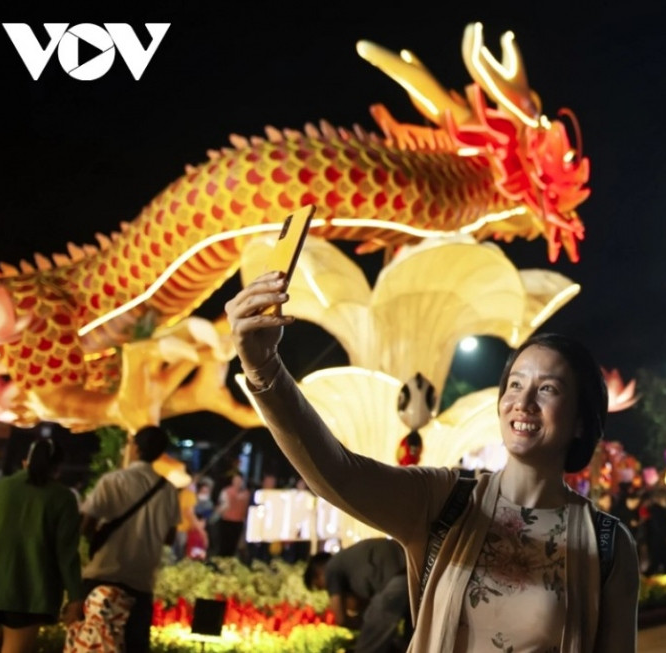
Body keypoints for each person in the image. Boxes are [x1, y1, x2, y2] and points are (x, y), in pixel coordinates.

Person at [226, 272, 639, 652]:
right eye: (515, 384)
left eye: (548, 388)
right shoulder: (446, 502)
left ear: (581, 420)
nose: (523, 401)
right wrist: (265, 370)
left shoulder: (607, 545)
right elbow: (339, 473)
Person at [0, 437, 85, 653]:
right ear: (57, 468)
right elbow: (67, 554)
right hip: (30, 590)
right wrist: (75, 596)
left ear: (25, 462)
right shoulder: (63, 498)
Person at [80, 425, 181, 653]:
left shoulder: (112, 481)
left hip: (102, 578)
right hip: (141, 583)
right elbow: (169, 537)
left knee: (92, 644)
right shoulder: (168, 490)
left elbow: (86, 524)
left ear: (135, 448)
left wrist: (97, 537)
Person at [305, 538, 411, 653]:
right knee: (410, 638)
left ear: (319, 573)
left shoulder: (331, 569)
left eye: (319, 587)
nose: (325, 590)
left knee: (366, 648)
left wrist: (362, 624)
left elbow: (341, 619)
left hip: (394, 582)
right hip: (409, 571)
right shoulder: (347, 560)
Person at [214, 471, 250, 558]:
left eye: (239, 480)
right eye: (235, 480)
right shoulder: (226, 491)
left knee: (233, 547)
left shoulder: (246, 493)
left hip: (238, 523)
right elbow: (221, 506)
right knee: (224, 546)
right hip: (226, 522)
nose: (237, 482)